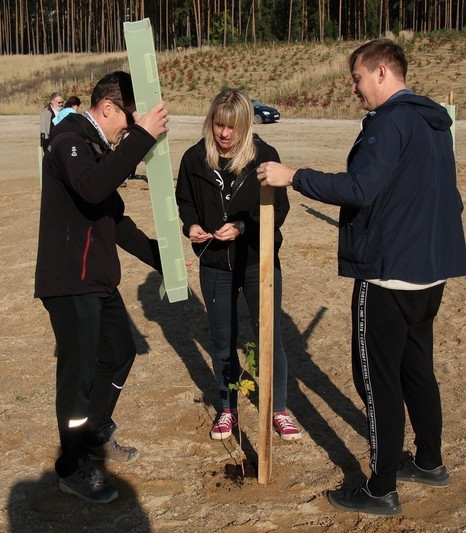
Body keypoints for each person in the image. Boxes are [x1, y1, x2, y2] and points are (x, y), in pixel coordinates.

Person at [257, 38, 466, 516]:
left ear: (381, 73)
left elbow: (360, 188)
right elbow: (447, 198)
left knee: (377, 380)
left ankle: (380, 488)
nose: (353, 88)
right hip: (429, 274)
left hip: (389, 274)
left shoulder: (392, 122)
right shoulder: (433, 122)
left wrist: (293, 175)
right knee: (417, 369)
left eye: (356, 78)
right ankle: (430, 462)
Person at [34, 71, 169, 504]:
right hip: (69, 282)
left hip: (96, 279)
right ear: (108, 107)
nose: (129, 129)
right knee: (78, 378)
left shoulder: (95, 147)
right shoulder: (67, 141)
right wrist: (142, 137)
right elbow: (92, 189)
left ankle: (93, 433)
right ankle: (71, 466)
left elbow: (114, 217)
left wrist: (163, 259)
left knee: (119, 352)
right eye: (128, 120)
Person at [175, 89, 302, 442]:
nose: (224, 134)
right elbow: (185, 201)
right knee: (222, 341)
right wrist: (191, 227)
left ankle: (278, 409)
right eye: (218, 125)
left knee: (268, 338)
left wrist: (246, 227)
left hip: (257, 261)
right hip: (214, 263)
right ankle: (227, 409)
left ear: (245, 126)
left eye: (232, 127)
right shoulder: (194, 159)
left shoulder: (265, 157)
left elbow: (280, 209)